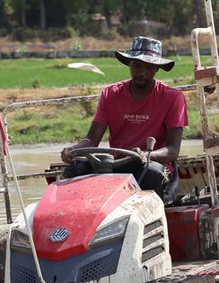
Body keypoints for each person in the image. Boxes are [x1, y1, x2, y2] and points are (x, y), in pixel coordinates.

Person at [60, 36, 188, 201]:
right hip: (116, 165)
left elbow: (172, 150)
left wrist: (146, 155)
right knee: (75, 169)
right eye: (137, 66)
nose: (142, 72)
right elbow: (91, 139)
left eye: (148, 67)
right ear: (129, 64)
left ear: (157, 69)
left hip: (149, 164)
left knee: (153, 173)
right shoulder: (111, 94)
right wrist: (73, 149)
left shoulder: (173, 97)